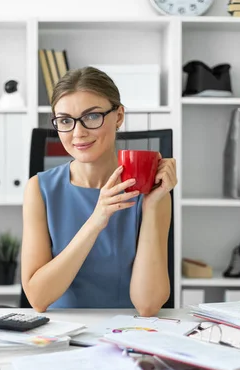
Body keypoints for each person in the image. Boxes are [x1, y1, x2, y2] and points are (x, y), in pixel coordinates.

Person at [20, 66, 177, 317]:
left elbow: (148, 305)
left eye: (92, 116)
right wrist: (96, 220)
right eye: (65, 121)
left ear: (118, 116)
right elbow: (38, 298)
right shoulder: (39, 189)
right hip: (63, 334)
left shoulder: (150, 191)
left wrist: (152, 205)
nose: (78, 132)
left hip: (128, 330)